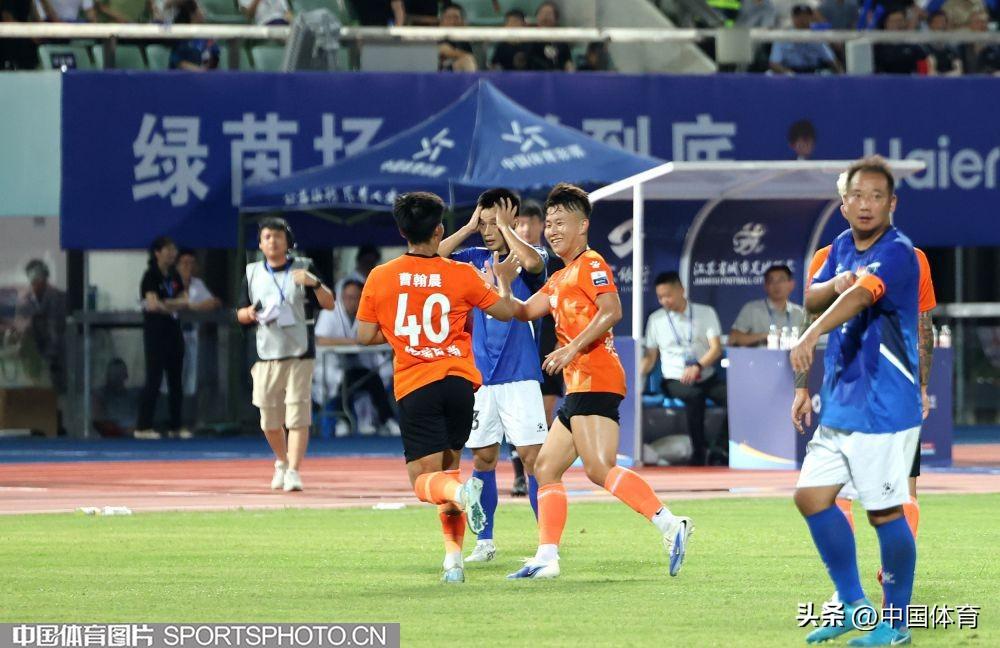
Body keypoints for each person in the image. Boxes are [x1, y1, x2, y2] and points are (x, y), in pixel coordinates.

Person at [496, 183, 693, 581]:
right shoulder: (559, 277)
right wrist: (501, 280)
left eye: (560, 223)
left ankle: (671, 524)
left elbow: (612, 310)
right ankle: (547, 557)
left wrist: (571, 348)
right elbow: (521, 311)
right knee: (545, 468)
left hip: (596, 376)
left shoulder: (592, 263)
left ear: (582, 225)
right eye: (549, 223)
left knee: (599, 468)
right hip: (579, 384)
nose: (552, 231)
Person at [789, 156, 920, 646]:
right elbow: (812, 297)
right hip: (843, 400)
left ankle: (897, 624)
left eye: (876, 196)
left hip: (884, 405)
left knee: (883, 513)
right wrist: (833, 283)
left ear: (892, 203)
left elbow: (863, 295)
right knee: (811, 497)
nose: (866, 204)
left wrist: (813, 333)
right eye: (857, 196)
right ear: (843, 204)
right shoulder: (842, 245)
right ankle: (852, 604)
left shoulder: (899, 251)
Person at [355, 191, 516, 583]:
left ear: (401, 230)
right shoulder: (461, 274)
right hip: (459, 384)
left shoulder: (381, 276)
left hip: (417, 384)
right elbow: (505, 311)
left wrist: (403, 335)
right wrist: (504, 283)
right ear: (439, 229)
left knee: (424, 484)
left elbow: (364, 335)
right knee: (449, 473)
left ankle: (464, 497)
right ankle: (453, 562)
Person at [437, 188, 548, 564]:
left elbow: (534, 263)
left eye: (494, 223)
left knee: (534, 460)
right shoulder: (471, 258)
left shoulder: (527, 257)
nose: (488, 231)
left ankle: (546, 544)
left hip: (520, 375)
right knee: (483, 458)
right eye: (483, 224)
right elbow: (434, 256)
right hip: (480, 378)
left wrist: (506, 228)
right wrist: (468, 227)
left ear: (513, 220)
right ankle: (484, 542)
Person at [236, 218, 334, 492]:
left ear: (287, 241)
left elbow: (329, 303)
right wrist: (250, 313)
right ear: (260, 243)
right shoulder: (253, 272)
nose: (273, 242)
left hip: (300, 352)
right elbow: (239, 312)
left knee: (298, 415)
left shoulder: (304, 267)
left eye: (278, 236)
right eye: (267, 237)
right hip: (266, 353)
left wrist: (315, 283)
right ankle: (281, 460)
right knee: (269, 419)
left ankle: (293, 471)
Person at [640, 272, 726, 466]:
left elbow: (716, 348)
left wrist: (698, 366)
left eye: (668, 295)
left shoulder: (706, 313)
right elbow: (650, 357)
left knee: (734, 398)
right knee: (695, 396)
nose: (664, 301)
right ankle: (699, 452)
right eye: (660, 297)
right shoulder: (655, 319)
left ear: (681, 290)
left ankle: (720, 448)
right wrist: (635, 376)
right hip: (674, 379)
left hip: (705, 375)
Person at [314, 278, 399, 437]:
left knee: (372, 378)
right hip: (330, 366)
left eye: (355, 298)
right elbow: (319, 340)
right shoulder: (330, 311)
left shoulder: (367, 311)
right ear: (342, 297)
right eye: (348, 297)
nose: (351, 302)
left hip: (359, 364)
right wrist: (351, 342)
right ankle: (341, 420)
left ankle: (387, 419)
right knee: (346, 381)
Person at [515, 199, 565, 428]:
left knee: (544, 413)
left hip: (547, 344)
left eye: (531, 223)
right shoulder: (506, 265)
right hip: (517, 346)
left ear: (541, 225)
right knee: (519, 415)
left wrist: (562, 341)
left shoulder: (557, 264)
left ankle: (546, 452)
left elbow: (565, 304)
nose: (525, 229)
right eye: (520, 224)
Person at [135, 236, 188, 441]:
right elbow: (152, 304)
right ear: (157, 253)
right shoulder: (150, 276)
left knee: (176, 380)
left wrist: (165, 304)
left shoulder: (174, 275)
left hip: (174, 330)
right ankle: (143, 425)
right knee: (154, 378)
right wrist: (170, 304)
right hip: (156, 332)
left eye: (174, 249)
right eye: (168, 249)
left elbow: (185, 300)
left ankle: (176, 425)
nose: (172, 253)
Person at [174, 250, 221, 419]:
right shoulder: (170, 283)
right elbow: (173, 304)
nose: (189, 267)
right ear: (177, 265)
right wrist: (186, 305)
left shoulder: (197, 284)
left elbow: (214, 302)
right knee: (172, 379)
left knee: (190, 381)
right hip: (172, 336)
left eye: (192, 263)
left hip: (192, 337)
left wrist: (192, 307)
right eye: (185, 263)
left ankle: (188, 419)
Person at [15, 259, 66, 393]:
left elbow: (58, 330)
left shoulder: (59, 298)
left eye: (39, 278)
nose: (36, 283)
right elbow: (20, 327)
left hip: (59, 361)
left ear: (45, 277)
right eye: (33, 279)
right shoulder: (26, 302)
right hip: (35, 362)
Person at [729, 264, 805, 347]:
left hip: (792, 355)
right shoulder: (752, 309)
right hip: (759, 355)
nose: (776, 285)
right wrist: (766, 336)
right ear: (765, 286)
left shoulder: (800, 313)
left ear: (791, 285)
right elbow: (734, 338)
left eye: (781, 280)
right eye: (771, 281)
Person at [769, 5, 843, 74]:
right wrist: (789, 73)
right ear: (793, 18)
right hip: (790, 74)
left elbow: (831, 60)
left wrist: (842, 75)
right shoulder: (783, 36)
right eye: (799, 16)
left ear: (811, 18)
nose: (803, 19)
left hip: (812, 73)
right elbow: (774, 63)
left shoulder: (817, 36)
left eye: (806, 16)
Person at [92, 358, 139, 438]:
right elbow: (99, 421)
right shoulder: (100, 396)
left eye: (120, 374)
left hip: (134, 442)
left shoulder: (133, 397)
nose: (117, 378)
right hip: (106, 442)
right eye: (114, 375)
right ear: (108, 376)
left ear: (126, 376)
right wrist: (122, 431)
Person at [169, 0, 220, 72]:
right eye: (200, 8)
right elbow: (179, 63)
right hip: (184, 76)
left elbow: (214, 58)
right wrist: (200, 72)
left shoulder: (208, 36)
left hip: (207, 76)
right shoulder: (182, 36)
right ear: (192, 14)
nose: (204, 11)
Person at [528, 1, 574, 71]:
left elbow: (567, 61)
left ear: (556, 19)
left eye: (549, 14)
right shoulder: (529, 37)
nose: (545, 17)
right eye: (542, 13)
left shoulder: (561, 40)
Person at [438, 2, 476, 72]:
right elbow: (445, 50)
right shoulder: (436, 37)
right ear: (441, 21)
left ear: (462, 21)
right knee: (467, 60)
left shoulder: (465, 39)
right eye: (448, 17)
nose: (452, 22)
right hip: (441, 73)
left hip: (461, 72)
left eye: (456, 17)